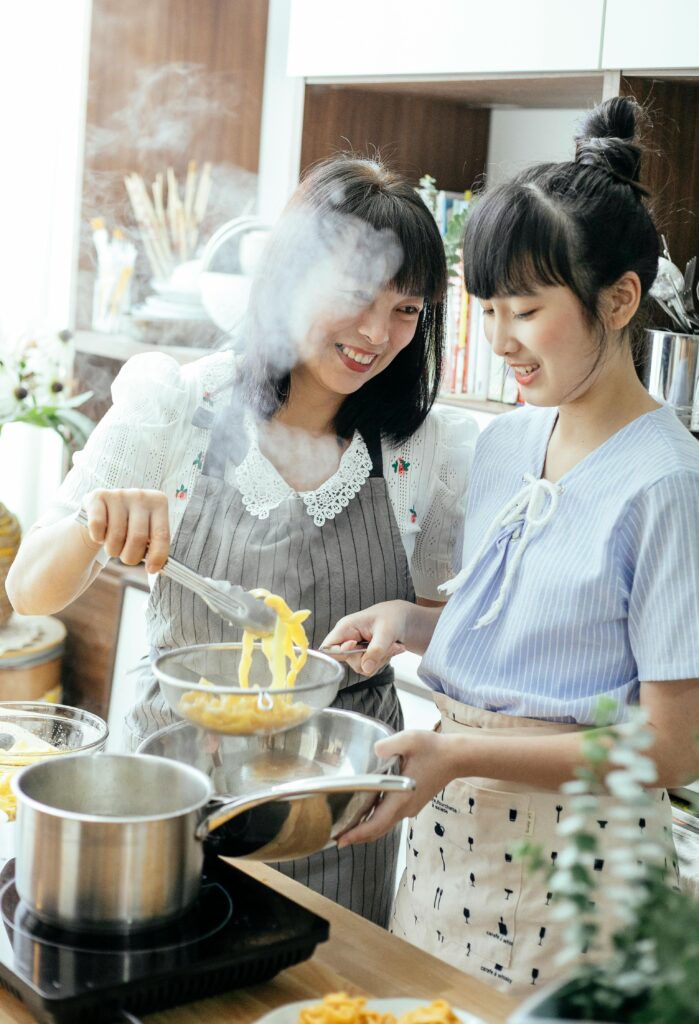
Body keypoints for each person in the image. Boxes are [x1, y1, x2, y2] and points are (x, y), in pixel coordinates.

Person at [7, 156, 478, 928]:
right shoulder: (178, 407)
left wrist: (408, 628)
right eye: (356, 295)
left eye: (406, 310)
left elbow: (433, 620)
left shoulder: (421, 452)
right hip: (175, 800)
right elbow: (29, 589)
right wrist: (98, 519)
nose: (376, 333)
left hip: (339, 812)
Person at [322, 97, 699, 992]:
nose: (499, 343)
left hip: (583, 867)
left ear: (618, 299)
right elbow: (529, 624)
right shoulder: (503, 442)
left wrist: (461, 751)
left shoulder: (666, 485)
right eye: (486, 310)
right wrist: (411, 624)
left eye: (524, 312)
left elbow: (675, 747)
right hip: (451, 841)